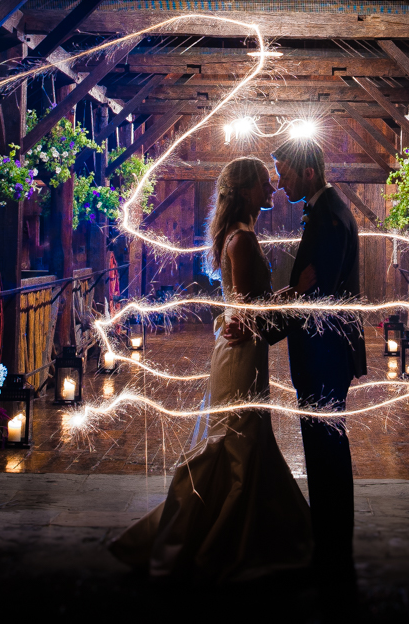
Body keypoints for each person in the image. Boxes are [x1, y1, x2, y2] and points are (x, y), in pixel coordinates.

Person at [108, 157, 314, 582]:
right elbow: (242, 313)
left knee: (248, 440)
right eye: (262, 182)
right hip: (239, 354)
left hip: (247, 352)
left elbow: (243, 309)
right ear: (243, 191)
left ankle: (244, 534)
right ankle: (206, 543)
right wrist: (299, 291)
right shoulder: (241, 241)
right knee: (235, 443)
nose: (271, 187)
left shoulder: (245, 235)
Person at [239, 136, 366, 584]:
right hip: (322, 353)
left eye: (285, 172)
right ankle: (330, 540)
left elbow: (321, 299)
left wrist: (266, 330)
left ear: (308, 172)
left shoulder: (328, 217)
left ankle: (332, 547)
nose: (280, 181)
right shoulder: (325, 210)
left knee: (326, 448)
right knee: (324, 446)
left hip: (324, 354)